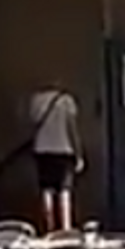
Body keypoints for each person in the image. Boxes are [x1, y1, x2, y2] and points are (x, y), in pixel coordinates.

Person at [28, 83, 83, 232]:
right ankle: (66, 228)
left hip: (42, 150)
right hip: (64, 150)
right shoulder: (66, 100)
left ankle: (49, 227)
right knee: (65, 191)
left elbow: (31, 123)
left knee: (47, 190)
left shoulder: (36, 100)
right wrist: (79, 153)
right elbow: (71, 127)